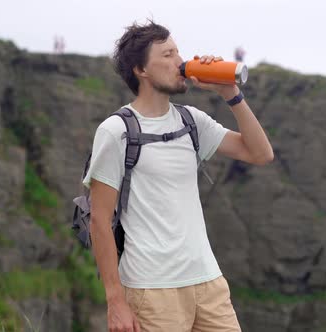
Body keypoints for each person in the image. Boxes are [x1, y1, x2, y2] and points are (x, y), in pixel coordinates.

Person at [82, 20, 274, 332]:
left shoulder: (192, 121)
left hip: (208, 282)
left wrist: (231, 94)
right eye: (168, 55)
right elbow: (99, 221)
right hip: (151, 289)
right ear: (140, 70)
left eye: (178, 51)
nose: (180, 62)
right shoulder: (116, 131)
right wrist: (116, 301)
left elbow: (260, 153)